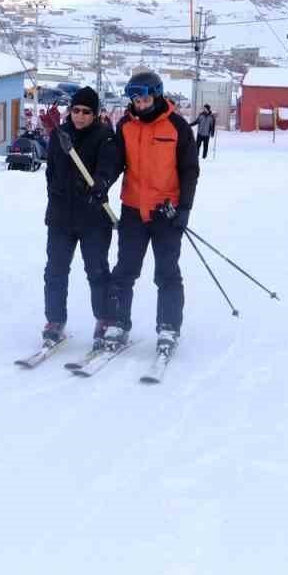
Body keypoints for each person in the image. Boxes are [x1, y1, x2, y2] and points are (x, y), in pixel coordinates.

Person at [92, 70, 199, 359]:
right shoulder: (126, 124)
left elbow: (190, 170)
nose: (140, 104)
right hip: (133, 211)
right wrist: (103, 182)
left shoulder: (177, 126)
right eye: (135, 100)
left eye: (145, 98)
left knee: (166, 273)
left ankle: (168, 327)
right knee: (124, 271)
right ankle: (117, 323)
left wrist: (185, 207)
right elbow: (116, 162)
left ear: (158, 94)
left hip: (167, 213)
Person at [38, 87, 116, 346]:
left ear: (95, 114)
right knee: (55, 271)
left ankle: (104, 318)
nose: (80, 116)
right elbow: (51, 172)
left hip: (93, 218)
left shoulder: (105, 137)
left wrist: (100, 183)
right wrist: (56, 194)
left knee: (96, 270)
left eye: (86, 112)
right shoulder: (60, 135)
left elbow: (110, 167)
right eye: (76, 111)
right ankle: (55, 320)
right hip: (61, 217)